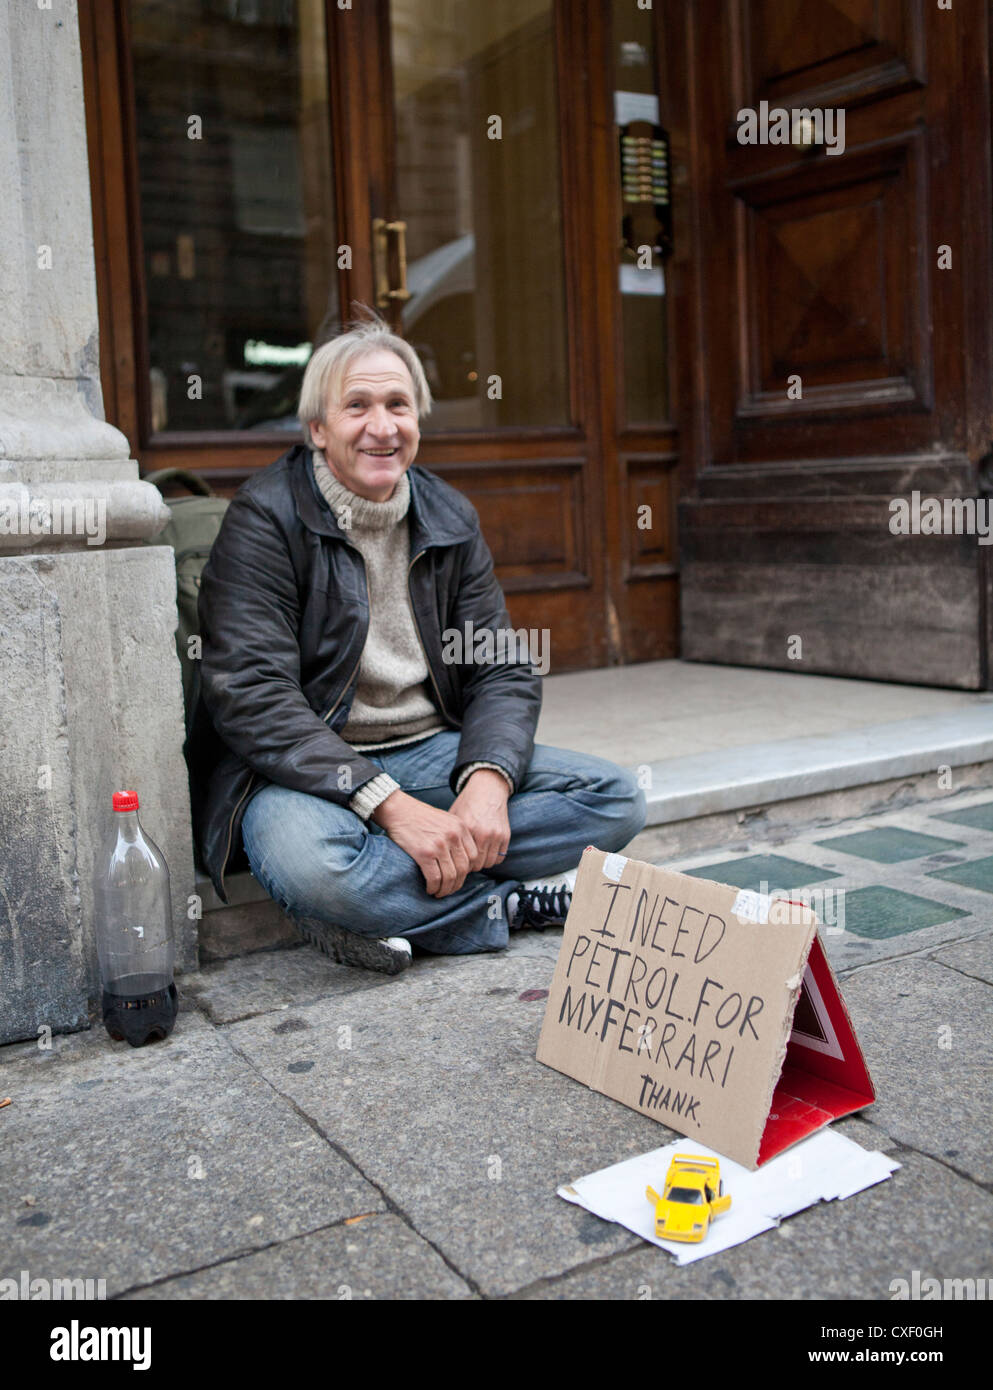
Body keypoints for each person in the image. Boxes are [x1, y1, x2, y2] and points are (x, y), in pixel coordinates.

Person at [187, 315, 646, 973]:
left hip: (431, 752)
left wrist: (487, 780)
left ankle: (387, 907)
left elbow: (500, 669)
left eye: (397, 405)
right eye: (357, 407)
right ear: (317, 429)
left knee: (615, 798)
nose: (382, 426)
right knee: (313, 866)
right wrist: (390, 808)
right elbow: (254, 698)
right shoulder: (265, 520)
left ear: (418, 422)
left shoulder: (448, 515)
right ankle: (507, 906)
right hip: (306, 768)